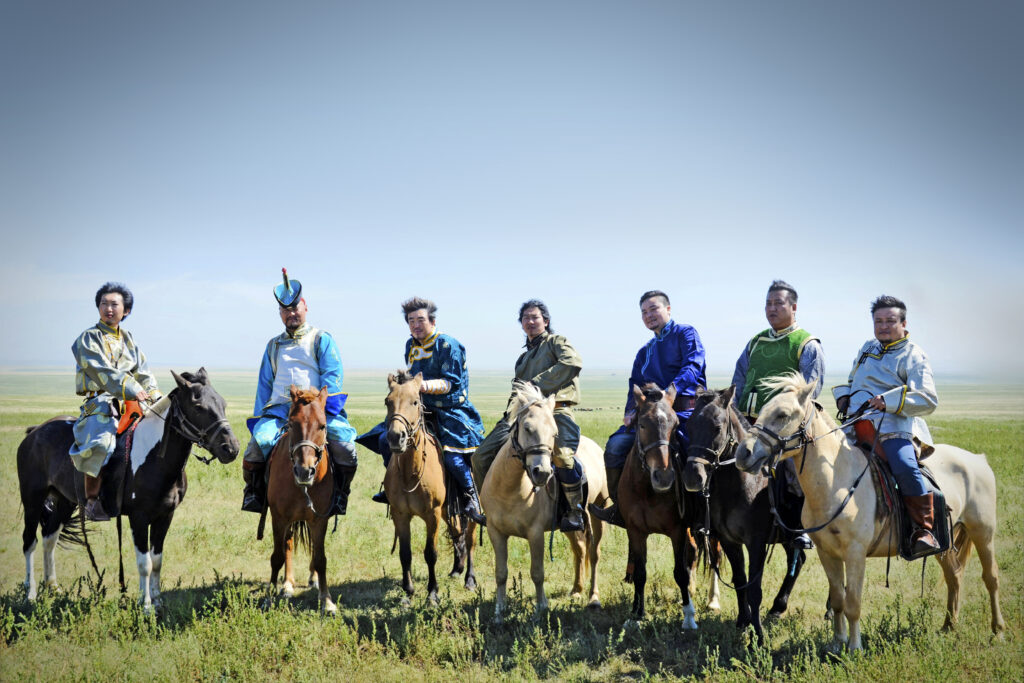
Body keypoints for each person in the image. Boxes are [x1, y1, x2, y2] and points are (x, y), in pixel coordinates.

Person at [359, 297, 486, 525]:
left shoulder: (448, 345)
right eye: (411, 321)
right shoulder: (410, 345)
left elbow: (452, 383)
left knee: (453, 457)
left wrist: (423, 385)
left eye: (420, 320)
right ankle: (393, 487)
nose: (415, 325)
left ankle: (471, 497)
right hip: (420, 409)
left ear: (432, 321)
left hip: (450, 410)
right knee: (384, 439)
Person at [240, 269, 357, 517]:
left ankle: (340, 495)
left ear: (305, 306)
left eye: (295, 308)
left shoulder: (321, 339)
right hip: (280, 411)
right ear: (280, 313)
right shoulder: (273, 345)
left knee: (346, 447)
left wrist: (318, 405)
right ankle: (255, 494)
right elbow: (264, 384)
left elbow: (332, 377)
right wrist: (260, 417)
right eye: (285, 310)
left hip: (314, 409)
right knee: (256, 446)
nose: (291, 313)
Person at [833, 295, 940, 554]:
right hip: (855, 424)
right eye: (878, 321)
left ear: (903, 323)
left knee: (904, 466)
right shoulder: (867, 347)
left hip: (894, 427)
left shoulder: (913, 355)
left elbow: (928, 399)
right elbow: (853, 379)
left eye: (890, 321)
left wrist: (887, 401)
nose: (883, 326)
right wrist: (845, 396)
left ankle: (923, 530)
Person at [591, 290, 706, 527]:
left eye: (654, 309)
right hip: (650, 417)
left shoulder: (685, 333)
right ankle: (620, 509)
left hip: (682, 412)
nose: (648, 315)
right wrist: (630, 411)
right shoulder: (644, 352)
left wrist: (672, 390)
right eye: (644, 312)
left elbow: (694, 365)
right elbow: (634, 384)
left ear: (668, 309)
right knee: (615, 446)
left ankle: (704, 514)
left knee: (694, 453)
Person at [470, 300, 587, 532]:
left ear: (546, 321)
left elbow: (572, 362)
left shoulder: (556, 342)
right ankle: (490, 508)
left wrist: (537, 384)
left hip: (555, 410)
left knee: (563, 457)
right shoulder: (523, 358)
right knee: (480, 457)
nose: (530, 322)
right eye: (526, 318)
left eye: (535, 317)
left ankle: (574, 511)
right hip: (521, 415)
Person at [731, 279, 824, 550]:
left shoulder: (806, 343)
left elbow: (809, 391)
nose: (772, 308)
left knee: (792, 472)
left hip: (783, 427)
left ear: (793, 307)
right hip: (749, 422)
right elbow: (739, 379)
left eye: (778, 303)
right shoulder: (756, 341)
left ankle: (800, 527)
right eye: (768, 304)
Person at [70, 282, 162, 521]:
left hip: (134, 403)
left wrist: (155, 396)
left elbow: (143, 372)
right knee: (102, 444)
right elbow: (101, 370)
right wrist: (132, 388)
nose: (108, 309)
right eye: (104, 304)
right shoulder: (88, 338)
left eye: (114, 304)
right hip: (100, 403)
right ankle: (92, 500)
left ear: (126, 310)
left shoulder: (129, 340)